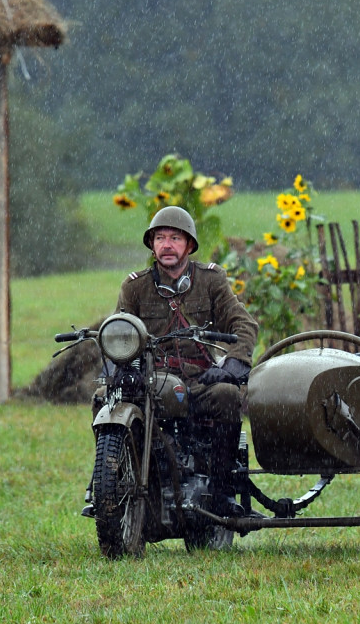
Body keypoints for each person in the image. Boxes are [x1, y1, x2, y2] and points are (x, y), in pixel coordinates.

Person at [88, 206, 258, 517]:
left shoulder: (211, 280)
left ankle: (221, 494)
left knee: (227, 396)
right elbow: (120, 331)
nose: (167, 245)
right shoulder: (135, 286)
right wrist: (120, 370)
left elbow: (243, 324)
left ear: (189, 245)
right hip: (151, 378)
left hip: (199, 379)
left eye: (175, 238)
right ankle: (108, 481)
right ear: (152, 245)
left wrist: (232, 365)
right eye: (160, 238)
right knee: (103, 399)